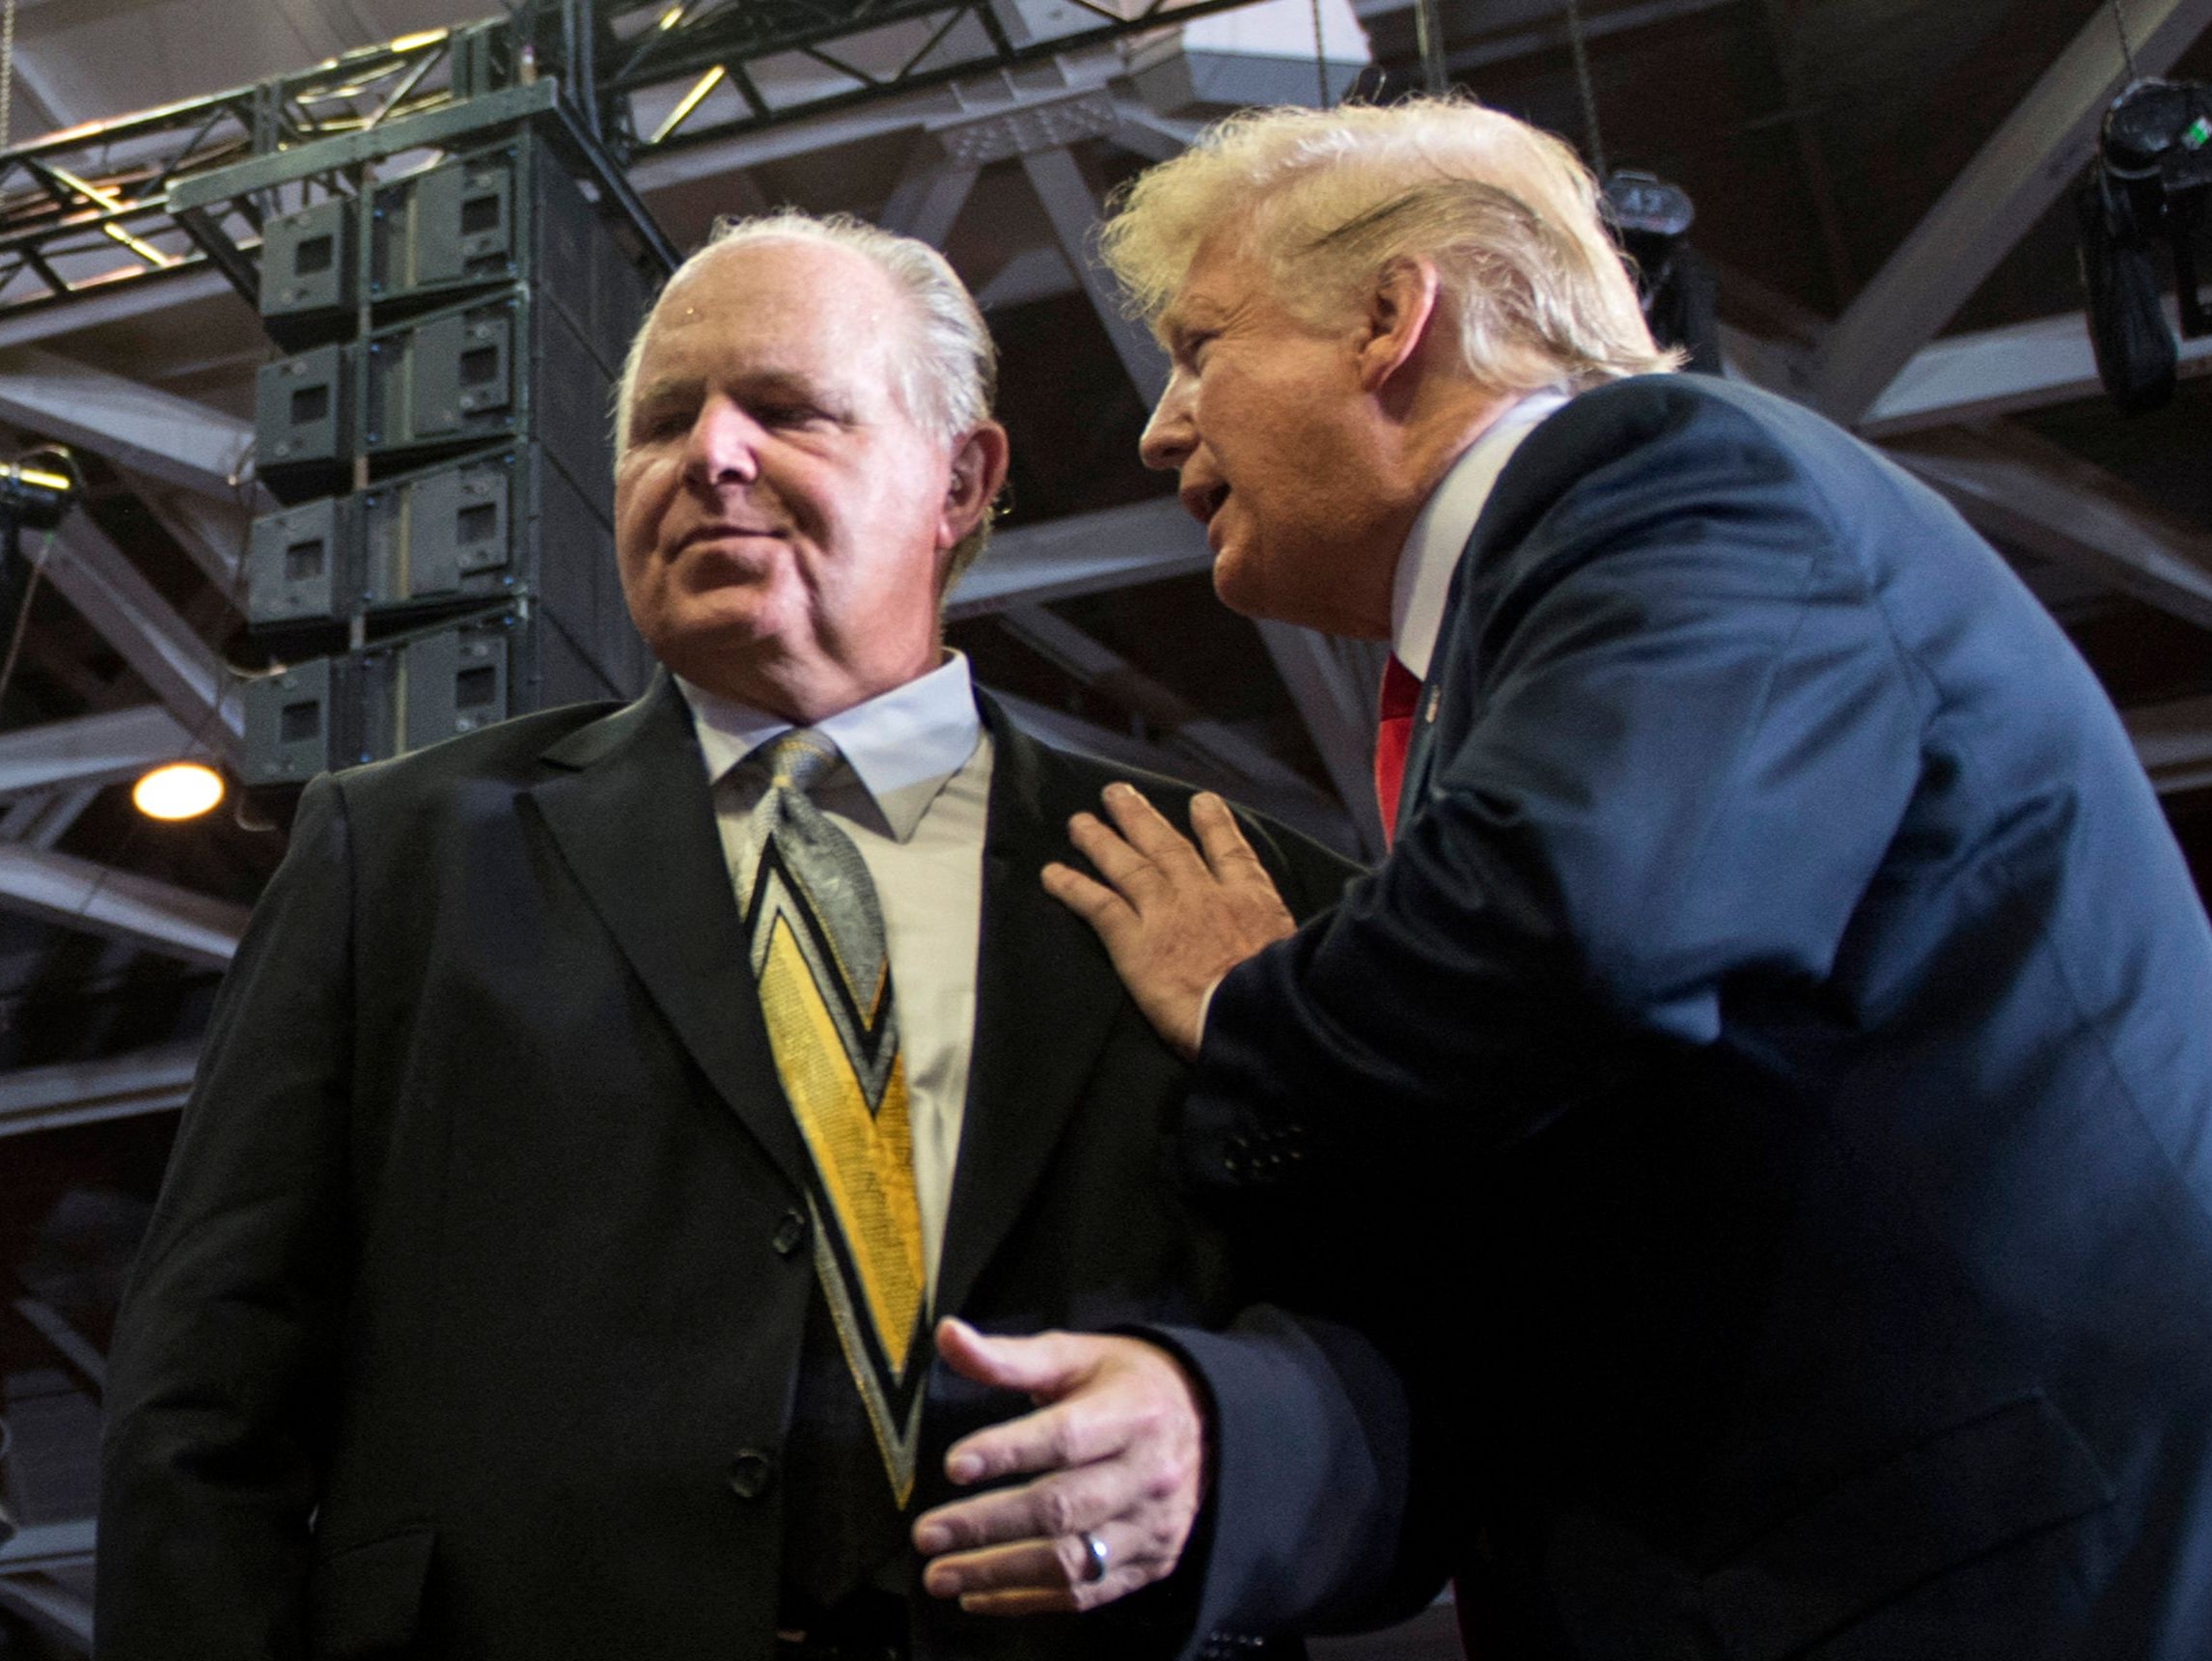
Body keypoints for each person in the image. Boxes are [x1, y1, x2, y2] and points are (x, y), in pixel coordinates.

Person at [967, 96, 2212, 1660]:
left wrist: (1240, 1003)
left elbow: (1578, 917)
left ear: (1387, 319)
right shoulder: (1542, 610)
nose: (1158, 427)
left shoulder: (1661, 474)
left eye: (1201, 347)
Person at [96, 211, 1419, 1661]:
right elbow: (202, 1406)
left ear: (962, 482)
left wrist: (1230, 1449)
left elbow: (1429, 1386)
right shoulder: (393, 857)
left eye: (786, 410)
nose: (709, 456)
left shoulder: (1232, 886)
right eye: (664, 421)